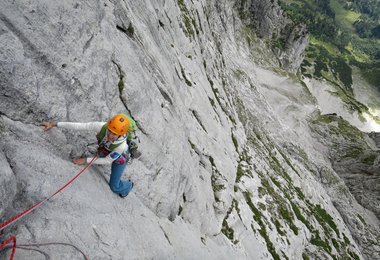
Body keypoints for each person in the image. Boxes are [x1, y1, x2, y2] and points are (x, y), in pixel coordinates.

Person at [42, 114, 141, 198]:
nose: (110, 135)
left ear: (121, 134)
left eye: (114, 134)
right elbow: (80, 126)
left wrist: (86, 160)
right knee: (102, 147)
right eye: (110, 131)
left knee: (114, 187)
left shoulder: (121, 146)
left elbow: (107, 161)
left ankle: (128, 186)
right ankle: (103, 150)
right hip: (107, 149)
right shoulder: (102, 126)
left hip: (119, 159)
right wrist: (54, 124)